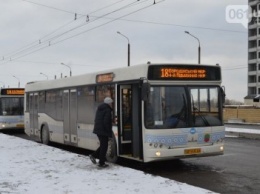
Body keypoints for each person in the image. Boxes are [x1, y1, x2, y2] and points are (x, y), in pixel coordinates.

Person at [89, 97, 113, 168]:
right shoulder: (107, 110)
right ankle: (101, 163)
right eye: (111, 102)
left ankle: (94, 156)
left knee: (103, 145)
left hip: (99, 130)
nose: (112, 104)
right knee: (104, 146)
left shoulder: (100, 108)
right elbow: (106, 122)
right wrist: (108, 131)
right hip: (103, 131)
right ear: (109, 103)